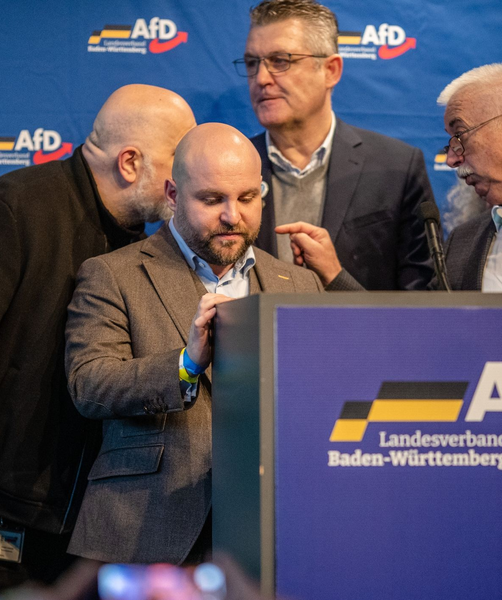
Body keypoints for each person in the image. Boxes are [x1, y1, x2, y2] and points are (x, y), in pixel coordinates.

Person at [64, 124, 322, 565]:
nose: (232, 216)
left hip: (269, 527)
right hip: (146, 524)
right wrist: (186, 363)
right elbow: (89, 385)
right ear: (172, 194)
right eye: (211, 199)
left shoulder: (298, 283)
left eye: (246, 197)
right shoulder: (112, 274)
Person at [0, 84, 196, 588]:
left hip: (91, 524)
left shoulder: (151, 242)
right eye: (181, 158)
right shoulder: (16, 210)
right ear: (130, 162)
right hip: (12, 516)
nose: (190, 178)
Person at [276, 63, 502, 291]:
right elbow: (417, 340)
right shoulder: (461, 245)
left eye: (459, 135)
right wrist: (334, 274)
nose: (452, 158)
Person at [238, 0, 434, 290]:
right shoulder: (231, 168)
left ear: (331, 70)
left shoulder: (396, 168)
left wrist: (337, 278)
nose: (261, 78)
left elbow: (424, 305)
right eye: (253, 63)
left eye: (280, 61)